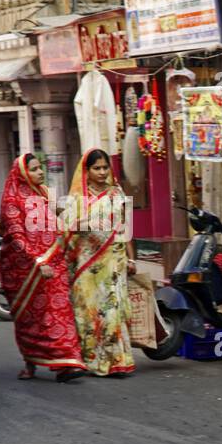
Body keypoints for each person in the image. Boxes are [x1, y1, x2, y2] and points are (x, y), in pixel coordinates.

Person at [0, 154, 87, 382]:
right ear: (23, 173)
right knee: (31, 319)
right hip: (24, 269)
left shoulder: (45, 192)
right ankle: (31, 363)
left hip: (54, 263)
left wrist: (77, 222)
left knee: (60, 314)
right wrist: (37, 261)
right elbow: (16, 237)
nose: (40, 172)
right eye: (35, 169)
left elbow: (59, 217)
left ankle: (66, 363)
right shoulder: (12, 199)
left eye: (40, 168)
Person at [62, 149, 137, 378]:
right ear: (87, 170)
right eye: (97, 168)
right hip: (85, 264)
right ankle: (90, 359)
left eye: (105, 167)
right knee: (87, 312)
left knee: (112, 311)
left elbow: (125, 227)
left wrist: (132, 258)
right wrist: (82, 223)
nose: (102, 172)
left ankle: (116, 360)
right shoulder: (77, 198)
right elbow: (66, 230)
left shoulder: (117, 193)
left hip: (113, 262)